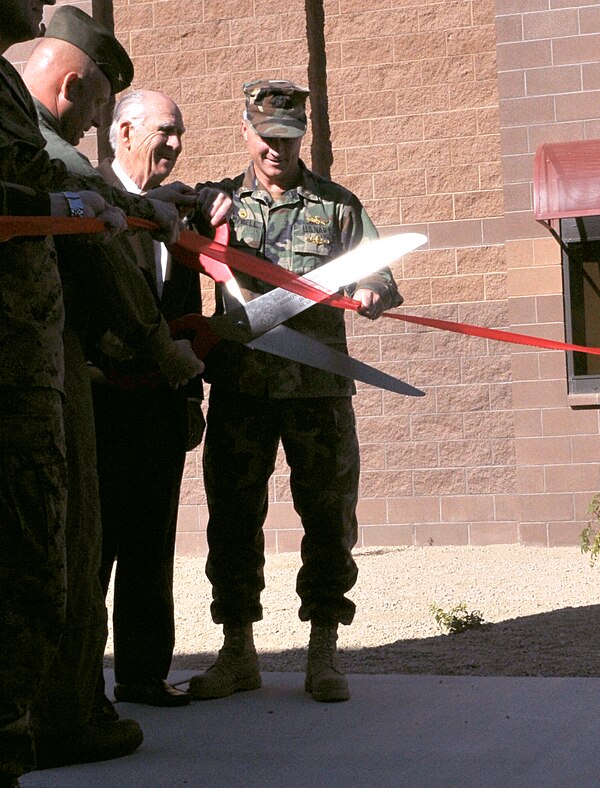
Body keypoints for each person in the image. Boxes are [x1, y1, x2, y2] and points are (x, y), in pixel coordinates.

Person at [20, 5, 203, 770]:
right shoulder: (51, 152)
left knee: (125, 548)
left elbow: (100, 208)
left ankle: (95, 690)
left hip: (114, 396)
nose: (93, 128)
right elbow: (102, 265)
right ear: (71, 92)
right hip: (64, 379)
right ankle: (67, 710)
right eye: (98, 111)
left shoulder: (36, 147)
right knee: (70, 546)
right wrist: (169, 358)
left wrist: (146, 212)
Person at [190, 78, 402, 704]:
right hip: (242, 389)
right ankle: (237, 651)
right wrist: (202, 217)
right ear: (245, 132)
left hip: (318, 394)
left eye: (288, 138)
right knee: (231, 518)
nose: (276, 150)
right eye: (265, 137)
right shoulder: (218, 203)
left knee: (329, 519)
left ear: (303, 136)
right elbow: (179, 247)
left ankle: (324, 650)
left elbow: (380, 276)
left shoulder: (337, 206)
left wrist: (372, 294)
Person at [92, 89, 203, 709]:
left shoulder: (177, 210)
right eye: (166, 131)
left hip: (160, 405)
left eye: (180, 132)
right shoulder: (93, 199)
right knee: (93, 547)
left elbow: (184, 312)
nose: (176, 144)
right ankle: (81, 685)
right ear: (126, 132)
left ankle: (141, 674)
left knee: (151, 544)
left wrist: (189, 401)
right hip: (101, 402)